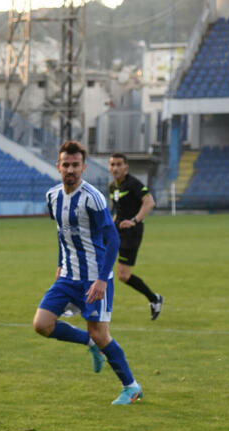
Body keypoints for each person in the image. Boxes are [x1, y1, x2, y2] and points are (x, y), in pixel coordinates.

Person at [32, 141, 143, 406]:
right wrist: (60, 263)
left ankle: (131, 386)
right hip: (68, 275)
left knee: (100, 333)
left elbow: (112, 239)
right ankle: (90, 344)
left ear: (83, 167)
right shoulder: (53, 197)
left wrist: (102, 278)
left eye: (75, 165)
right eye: (65, 165)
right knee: (42, 325)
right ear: (58, 166)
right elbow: (63, 232)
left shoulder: (92, 197)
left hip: (95, 276)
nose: (70, 169)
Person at [107, 153, 163, 320]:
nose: (115, 168)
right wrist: (109, 226)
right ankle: (80, 300)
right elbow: (119, 211)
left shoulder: (133, 183)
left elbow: (149, 202)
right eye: (112, 165)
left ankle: (154, 299)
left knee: (123, 275)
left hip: (131, 233)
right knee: (93, 260)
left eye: (119, 164)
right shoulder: (112, 187)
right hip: (116, 231)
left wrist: (134, 220)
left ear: (126, 167)